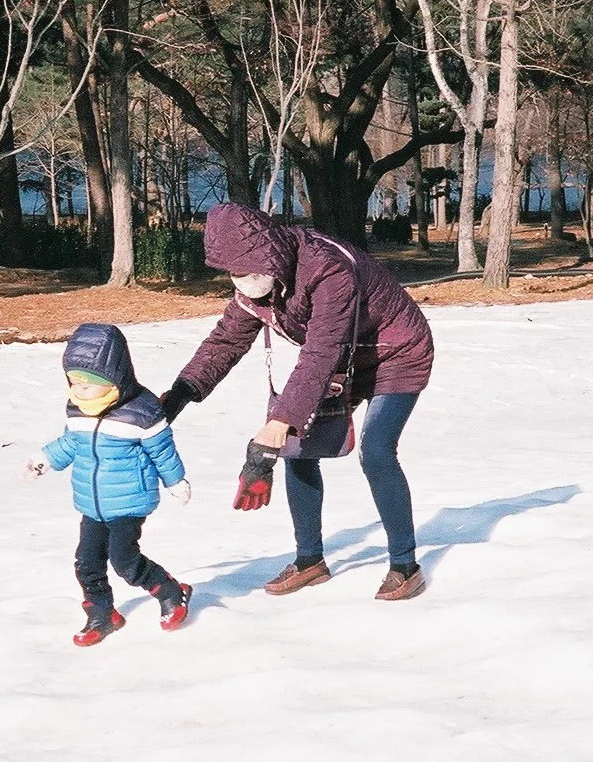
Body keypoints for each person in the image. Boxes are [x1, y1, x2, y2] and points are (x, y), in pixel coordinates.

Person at [161, 203, 435, 601]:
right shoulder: (259, 282)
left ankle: (405, 565)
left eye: (249, 272)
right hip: (344, 359)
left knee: (377, 451)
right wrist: (180, 394)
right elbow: (226, 341)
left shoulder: (328, 268)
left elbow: (321, 351)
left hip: (395, 353)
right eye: (234, 274)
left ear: (269, 254)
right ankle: (310, 561)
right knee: (299, 449)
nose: (243, 281)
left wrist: (280, 420)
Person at [25, 323, 193, 646]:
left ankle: (172, 591)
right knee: (86, 562)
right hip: (92, 503)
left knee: (124, 560)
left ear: (114, 380)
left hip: (129, 501)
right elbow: (71, 443)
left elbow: (162, 451)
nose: (78, 392)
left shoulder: (141, 413)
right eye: (73, 383)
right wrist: (44, 459)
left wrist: (176, 481)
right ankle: (102, 613)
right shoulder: (78, 411)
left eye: (87, 386)